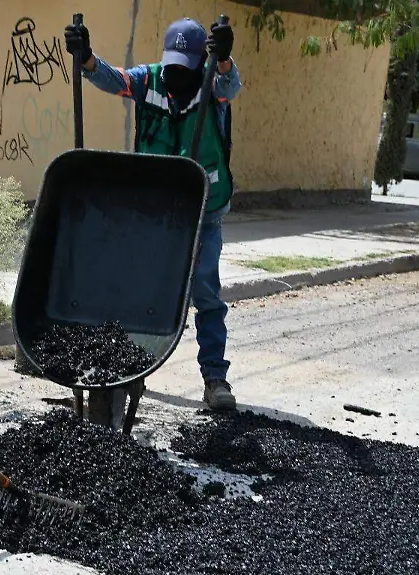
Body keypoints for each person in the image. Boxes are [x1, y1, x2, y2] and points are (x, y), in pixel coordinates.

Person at [64, 17, 241, 412]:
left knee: (206, 293)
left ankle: (215, 378)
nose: (176, 73)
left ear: (201, 62)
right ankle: (129, 373)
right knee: (137, 290)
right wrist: (88, 59)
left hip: (203, 210)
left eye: (185, 65)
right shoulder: (151, 80)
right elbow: (114, 79)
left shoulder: (214, 82)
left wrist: (225, 59)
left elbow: (231, 85)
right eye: (172, 63)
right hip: (156, 209)